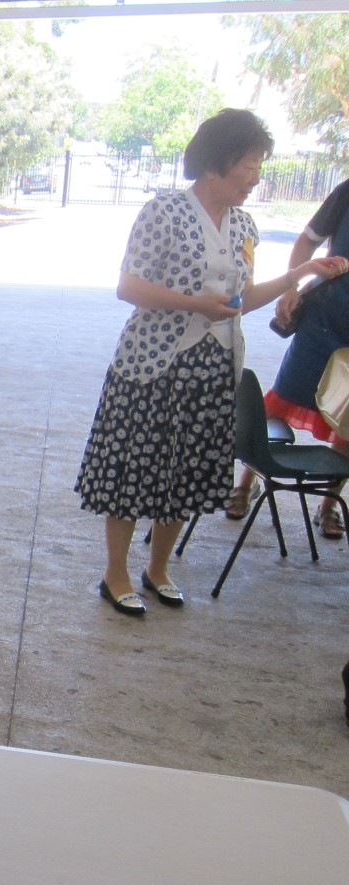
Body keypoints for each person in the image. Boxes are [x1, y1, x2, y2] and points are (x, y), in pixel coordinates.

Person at [75, 109, 348, 617]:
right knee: (134, 469)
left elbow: (244, 298)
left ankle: (158, 570)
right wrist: (194, 304)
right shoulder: (163, 212)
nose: (256, 177)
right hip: (152, 367)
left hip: (214, 369)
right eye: (250, 164)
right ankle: (115, 574)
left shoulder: (244, 225)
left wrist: (304, 273)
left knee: (188, 472)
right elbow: (128, 286)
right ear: (218, 161)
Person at [226, 179, 349, 537]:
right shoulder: (346, 192)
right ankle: (248, 481)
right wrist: (292, 288)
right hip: (325, 317)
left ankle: (329, 505)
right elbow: (307, 241)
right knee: (284, 398)